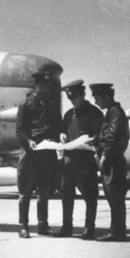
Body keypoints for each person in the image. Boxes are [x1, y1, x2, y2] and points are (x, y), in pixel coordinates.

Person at [15, 69, 62, 239]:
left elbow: (57, 127)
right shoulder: (26, 105)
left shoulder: (51, 105)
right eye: (42, 86)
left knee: (44, 193)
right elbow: (19, 130)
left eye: (48, 87)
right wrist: (28, 142)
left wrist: (59, 136)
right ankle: (23, 226)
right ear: (36, 87)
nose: (46, 90)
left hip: (46, 154)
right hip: (30, 155)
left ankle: (43, 225)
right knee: (25, 193)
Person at [55, 80, 104, 240]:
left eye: (75, 98)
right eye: (70, 99)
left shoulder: (95, 113)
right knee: (66, 197)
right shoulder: (69, 114)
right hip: (69, 161)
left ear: (83, 95)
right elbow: (63, 131)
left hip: (85, 161)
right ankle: (66, 227)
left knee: (90, 197)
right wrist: (61, 134)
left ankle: (89, 229)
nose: (73, 101)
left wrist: (93, 140)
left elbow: (101, 135)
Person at [89, 83, 130, 242]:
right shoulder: (113, 113)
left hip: (112, 161)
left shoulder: (116, 113)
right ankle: (117, 231)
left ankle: (117, 232)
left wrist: (104, 157)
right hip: (112, 159)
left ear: (107, 97)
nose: (96, 102)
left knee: (115, 197)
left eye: (98, 98)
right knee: (114, 197)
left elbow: (112, 137)